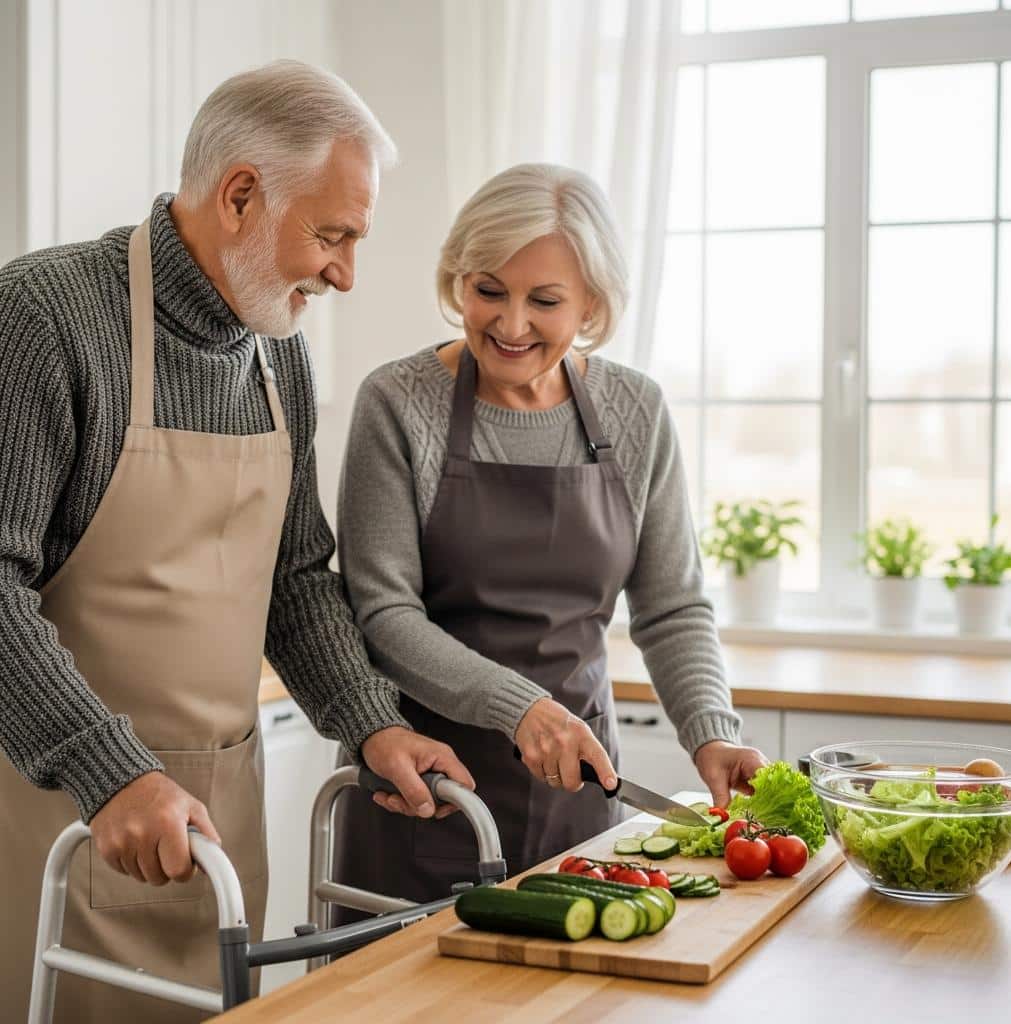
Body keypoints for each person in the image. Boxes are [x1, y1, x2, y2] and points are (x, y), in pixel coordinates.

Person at [0, 60, 472, 1022]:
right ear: (241, 197)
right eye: (332, 235)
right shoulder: (44, 317)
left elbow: (295, 577)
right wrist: (108, 770)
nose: (345, 273)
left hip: (217, 825)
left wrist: (369, 720)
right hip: (59, 817)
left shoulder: (278, 350)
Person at [332, 163, 768, 905]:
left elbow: (672, 607)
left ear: (592, 303)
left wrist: (712, 733)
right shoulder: (398, 404)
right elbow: (384, 615)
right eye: (488, 290)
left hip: (577, 791)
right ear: (457, 279)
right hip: (428, 790)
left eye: (545, 300)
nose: (509, 325)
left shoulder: (635, 410)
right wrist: (521, 709)